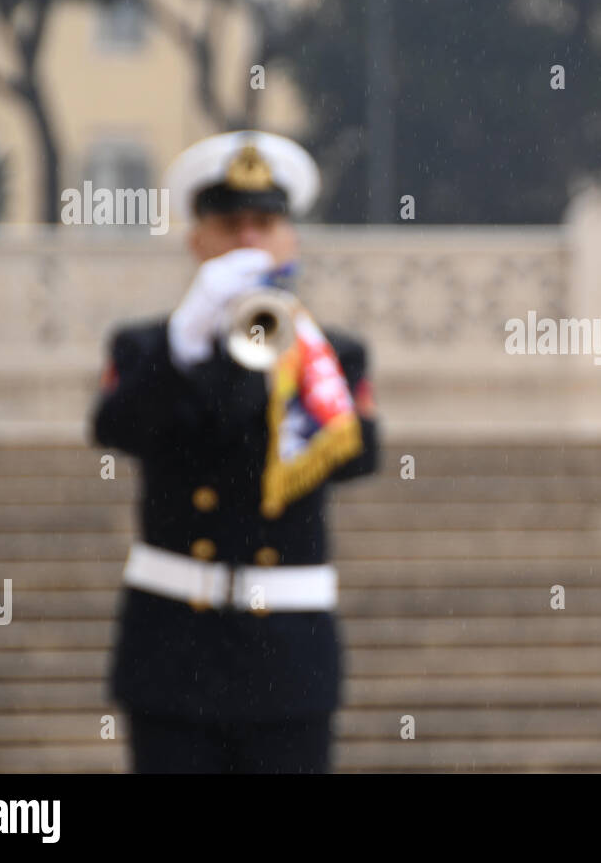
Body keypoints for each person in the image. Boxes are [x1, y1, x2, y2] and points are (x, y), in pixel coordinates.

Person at [91, 130, 379, 773]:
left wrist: (264, 354)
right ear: (197, 240)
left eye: (265, 222)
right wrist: (189, 341)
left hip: (288, 650)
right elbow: (118, 427)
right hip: (174, 645)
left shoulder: (330, 357)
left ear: (290, 239)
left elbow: (359, 454)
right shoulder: (147, 349)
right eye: (229, 223)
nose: (248, 238)